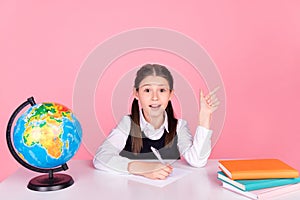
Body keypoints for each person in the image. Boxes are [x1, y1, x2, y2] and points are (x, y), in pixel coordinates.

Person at [93, 63, 220, 180]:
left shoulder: (179, 126)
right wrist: (142, 168)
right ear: (136, 93)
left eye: (162, 90)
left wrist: (205, 117)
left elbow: (197, 161)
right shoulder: (128, 124)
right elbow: (101, 158)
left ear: (170, 94)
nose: (155, 97)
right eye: (147, 90)